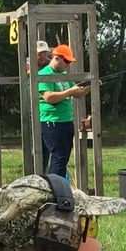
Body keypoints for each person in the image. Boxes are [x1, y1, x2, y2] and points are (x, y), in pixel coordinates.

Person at [38, 44, 88, 178]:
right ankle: (55, 187)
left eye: (69, 62)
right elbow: (49, 97)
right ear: (56, 58)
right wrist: (70, 91)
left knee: (63, 157)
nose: (68, 64)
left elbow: (78, 93)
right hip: (52, 122)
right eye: (66, 61)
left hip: (66, 121)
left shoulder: (64, 75)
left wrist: (91, 86)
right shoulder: (44, 74)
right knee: (59, 157)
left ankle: (57, 186)